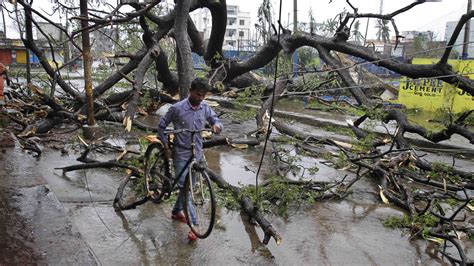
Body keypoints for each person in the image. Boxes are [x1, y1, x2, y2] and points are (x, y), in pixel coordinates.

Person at [157, 78, 223, 241]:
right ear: (190, 91)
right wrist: (166, 147)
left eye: (203, 95)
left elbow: (216, 121)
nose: (201, 98)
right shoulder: (177, 108)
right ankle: (195, 225)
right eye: (198, 94)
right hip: (181, 153)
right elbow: (161, 126)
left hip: (197, 153)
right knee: (185, 190)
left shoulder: (205, 108)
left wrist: (216, 126)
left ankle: (176, 212)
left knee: (189, 187)